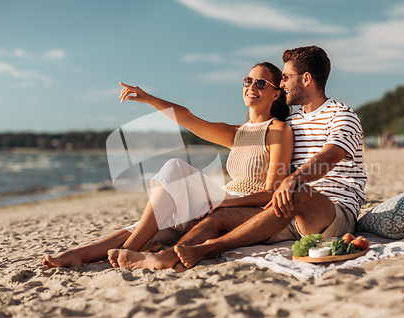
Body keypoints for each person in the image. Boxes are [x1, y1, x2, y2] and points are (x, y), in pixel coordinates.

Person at [106, 45, 367, 270]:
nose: (283, 83)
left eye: (286, 77)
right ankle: (168, 256)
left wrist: (291, 181)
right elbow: (194, 120)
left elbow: (330, 155)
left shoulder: (341, 115)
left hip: (332, 213)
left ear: (307, 78)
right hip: (285, 211)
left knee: (297, 190)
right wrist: (150, 99)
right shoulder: (291, 122)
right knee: (216, 218)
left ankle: (206, 249)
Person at [42, 62, 294, 270]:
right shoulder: (236, 132)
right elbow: (187, 118)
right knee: (155, 220)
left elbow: (272, 192)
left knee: (175, 169)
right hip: (221, 198)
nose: (252, 87)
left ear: (275, 93)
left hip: (244, 208)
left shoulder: (278, 130)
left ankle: (129, 249)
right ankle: (80, 254)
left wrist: (224, 203)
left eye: (261, 83)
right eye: (247, 81)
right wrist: (149, 99)